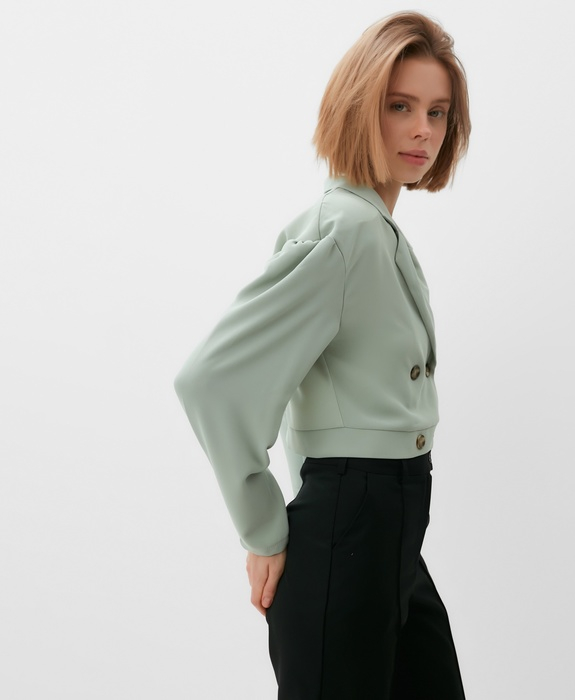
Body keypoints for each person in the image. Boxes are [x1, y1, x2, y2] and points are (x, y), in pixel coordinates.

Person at [174, 10, 471, 699]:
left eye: (437, 111)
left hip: (389, 536)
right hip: (350, 530)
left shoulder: (373, 228)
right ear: (360, 106)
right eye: (400, 106)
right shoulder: (347, 232)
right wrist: (263, 529)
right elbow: (212, 380)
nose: (423, 130)